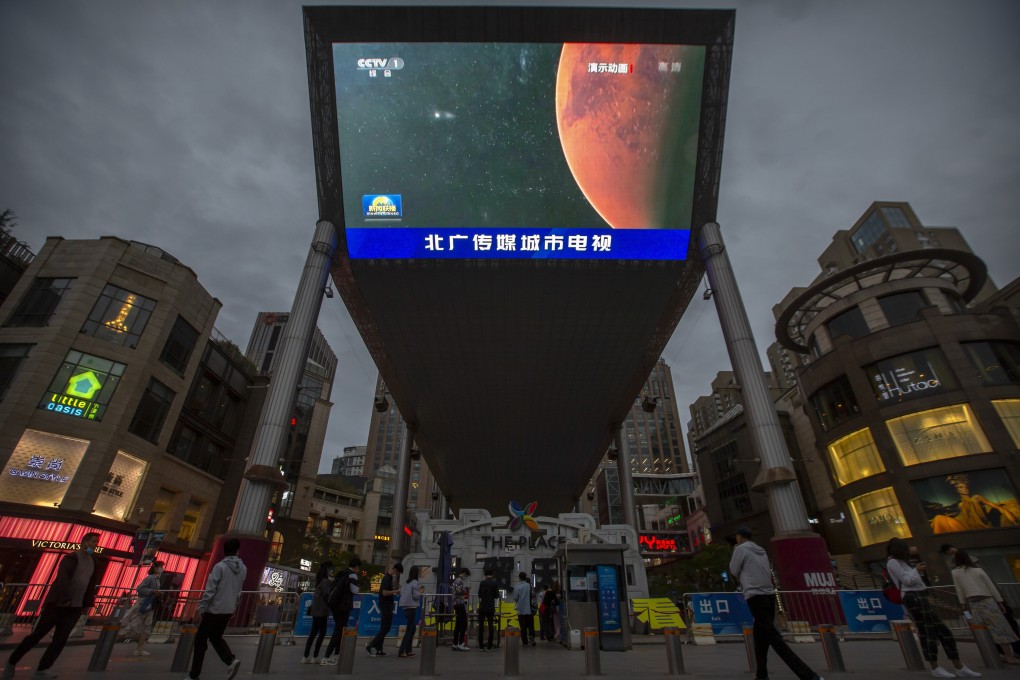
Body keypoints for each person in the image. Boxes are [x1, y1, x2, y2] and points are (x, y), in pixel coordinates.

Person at [4, 532, 104, 680]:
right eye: (93, 542)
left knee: (61, 639)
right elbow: (63, 579)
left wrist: (86, 603)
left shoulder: (93, 561)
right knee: (38, 634)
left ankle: (44, 667)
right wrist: (65, 598)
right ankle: (12, 661)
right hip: (58, 604)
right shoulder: (71, 558)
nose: (95, 545)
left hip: (75, 606)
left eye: (96, 542)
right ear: (84, 542)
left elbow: (90, 583)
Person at [728, 527, 824, 680]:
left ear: (739, 537)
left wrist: (735, 551)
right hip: (769, 595)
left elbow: (733, 570)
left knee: (774, 638)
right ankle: (761, 674)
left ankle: (808, 675)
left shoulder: (740, 549)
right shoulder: (761, 549)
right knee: (760, 636)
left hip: (755, 595)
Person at [886, 537, 980, 678]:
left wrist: (916, 570)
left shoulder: (902, 562)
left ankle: (959, 665)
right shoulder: (892, 562)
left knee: (943, 630)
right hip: (912, 597)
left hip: (920, 595)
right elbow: (906, 580)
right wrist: (916, 570)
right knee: (927, 631)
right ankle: (935, 666)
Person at [940, 543, 1020, 656]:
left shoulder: (964, 568)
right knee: (998, 625)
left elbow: (961, 589)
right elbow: (989, 584)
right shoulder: (968, 568)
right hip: (986, 598)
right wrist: (1000, 599)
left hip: (977, 600)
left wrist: (963, 604)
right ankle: (1006, 652)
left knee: (991, 625)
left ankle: (1005, 652)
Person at [186, 537, 246, 680]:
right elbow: (239, 590)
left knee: (200, 641)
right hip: (228, 609)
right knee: (215, 637)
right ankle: (230, 660)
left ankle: (194, 675)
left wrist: (201, 607)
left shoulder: (220, 567)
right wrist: (234, 607)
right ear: (237, 551)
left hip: (214, 610)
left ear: (224, 551)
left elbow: (210, 589)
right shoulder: (243, 568)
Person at [321, 557, 360, 666]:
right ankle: (327, 656)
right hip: (344, 605)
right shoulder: (352, 575)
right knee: (339, 630)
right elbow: (355, 590)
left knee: (340, 628)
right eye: (358, 568)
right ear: (356, 567)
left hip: (334, 604)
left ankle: (337, 654)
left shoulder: (341, 573)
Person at [120, 560, 164, 656]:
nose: (162, 569)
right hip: (145, 602)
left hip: (149, 602)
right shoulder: (151, 578)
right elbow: (140, 589)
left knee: (145, 624)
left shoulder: (156, 579)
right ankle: (139, 647)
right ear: (156, 568)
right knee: (142, 623)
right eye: (161, 567)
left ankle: (140, 648)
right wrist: (153, 591)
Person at [366, 562, 402, 657]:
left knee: (383, 628)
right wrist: (396, 591)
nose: (396, 575)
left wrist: (394, 588)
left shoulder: (388, 578)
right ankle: (371, 645)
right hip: (386, 606)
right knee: (386, 628)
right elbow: (385, 592)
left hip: (386, 605)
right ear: (395, 570)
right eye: (397, 573)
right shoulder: (386, 578)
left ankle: (379, 649)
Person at [301, 561, 332, 664]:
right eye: (330, 569)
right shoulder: (326, 581)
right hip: (322, 610)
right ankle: (315, 656)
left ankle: (305, 656)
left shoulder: (318, 580)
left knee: (313, 633)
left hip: (315, 610)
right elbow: (327, 595)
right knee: (321, 633)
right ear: (328, 569)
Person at [398, 566, 424, 658]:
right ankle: (402, 651)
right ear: (416, 573)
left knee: (411, 629)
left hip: (405, 607)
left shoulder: (406, 582)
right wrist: (420, 591)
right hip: (412, 607)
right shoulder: (415, 582)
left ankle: (408, 650)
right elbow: (416, 596)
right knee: (410, 630)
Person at [476, 569, 499, 651]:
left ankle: (481, 646)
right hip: (490, 607)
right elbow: (497, 596)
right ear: (492, 575)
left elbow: (479, 595)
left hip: (482, 607)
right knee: (490, 627)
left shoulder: (482, 583)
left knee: (481, 627)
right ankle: (489, 646)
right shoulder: (495, 583)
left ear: (485, 575)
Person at [512, 572, 535, 647]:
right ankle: (532, 640)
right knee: (531, 626)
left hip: (521, 611)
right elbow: (534, 597)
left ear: (519, 578)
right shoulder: (530, 586)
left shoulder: (517, 587)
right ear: (525, 577)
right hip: (529, 610)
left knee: (523, 627)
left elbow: (515, 598)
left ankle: (525, 642)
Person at [451, 568, 471, 651]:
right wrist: (467, 589)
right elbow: (459, 591)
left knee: (458, 624)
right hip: (459, 603)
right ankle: (460, 643)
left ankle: (455, 644)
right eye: (466, 575)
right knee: (464, 623)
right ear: (463, 573)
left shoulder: (457, 580)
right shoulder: (459, 581)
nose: (466, 577)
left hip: (456, 603)